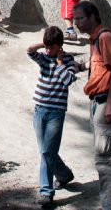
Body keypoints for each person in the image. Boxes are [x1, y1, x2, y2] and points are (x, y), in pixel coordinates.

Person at [73, 0, 111, 210]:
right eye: (75, 18)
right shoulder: (95, 40)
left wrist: (109, 105)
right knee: (109, 161)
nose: (76, 22)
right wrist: (80, 66)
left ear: (93, 17)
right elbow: (102, 66)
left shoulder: (106, 37)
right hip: (99, 102)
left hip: (108, 102)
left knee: (105, 161)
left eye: (80, 18)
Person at [27, 26, 79, 207]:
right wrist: (45, 42)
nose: (48, 51)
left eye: (51, 47)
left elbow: (68, 80)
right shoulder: (44, 57)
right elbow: (29, 50)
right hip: (39, 109)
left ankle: (46, 192)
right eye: (47, 47)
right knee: (46, 151)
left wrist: (59, 63)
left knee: (47, 152)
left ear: (59, 46)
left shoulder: (68, 60)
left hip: (56, 113)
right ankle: (64, 174)